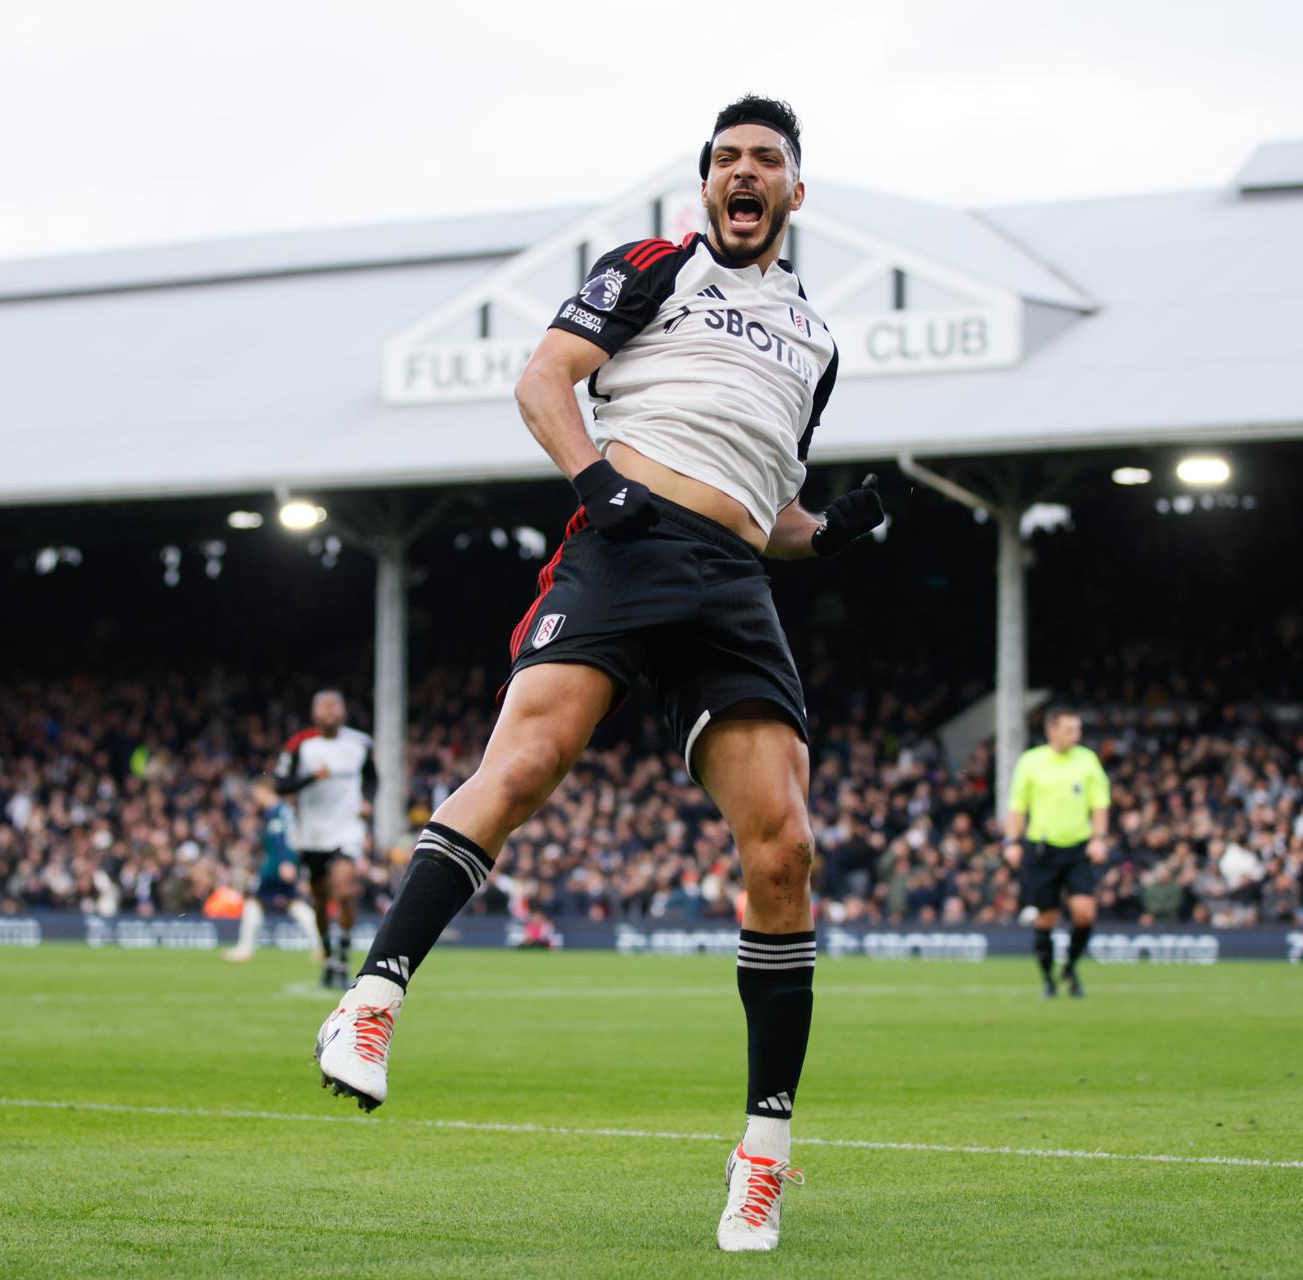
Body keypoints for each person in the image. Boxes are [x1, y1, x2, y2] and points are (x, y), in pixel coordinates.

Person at [311, 95, 883, 1254]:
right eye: (725, 157)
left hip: (732, 580)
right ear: (708, 181)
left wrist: (824, 534)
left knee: (786, 848)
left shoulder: (818, 344)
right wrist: (593, 484)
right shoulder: (649, 267)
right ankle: (371, 1001)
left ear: (794, 192)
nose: (743, 172)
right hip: (624, 546)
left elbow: (765, 501)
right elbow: (542, 380)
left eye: (764, 159)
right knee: (526, 761)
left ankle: (762, 1157)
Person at [1003, 709, 1111, 997]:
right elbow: (1018, 806)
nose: (1077, 735)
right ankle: (1048, 980)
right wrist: (1011, 842)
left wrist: (1099, 838)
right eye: (1070, 730)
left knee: (1085, 913)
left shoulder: (1087, 760)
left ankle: (1070, 966)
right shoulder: (1031, 761)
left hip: (1078, 848)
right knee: (1045, 919)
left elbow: (1100, 804)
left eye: (1078, 729)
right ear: (1052, 730)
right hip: (1042, 850)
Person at [274, 690, 376, 987]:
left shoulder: (360, 743)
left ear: (344, 711)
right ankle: (329, 954)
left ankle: (342, 956)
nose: (330, 712)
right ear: (314, 713)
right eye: (324, 707)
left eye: (335, 707)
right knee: (320, 899)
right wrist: (310, 777)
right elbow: (280, 784)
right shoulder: (300, 745)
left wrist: (368, 800)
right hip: (313, 833)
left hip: (348, 829)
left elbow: (372, 777)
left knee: (344, 890)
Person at [227, 775, 320, 962]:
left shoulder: (276, 811)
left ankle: (245, 948)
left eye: (257, 793)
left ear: (265, 791)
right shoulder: (285, 810)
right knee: (294, 902)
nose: (256, 798)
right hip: (283, 861)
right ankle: (321, 944)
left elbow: (280, 838)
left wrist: (285, 862)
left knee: (254, 899)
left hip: (276, 863)